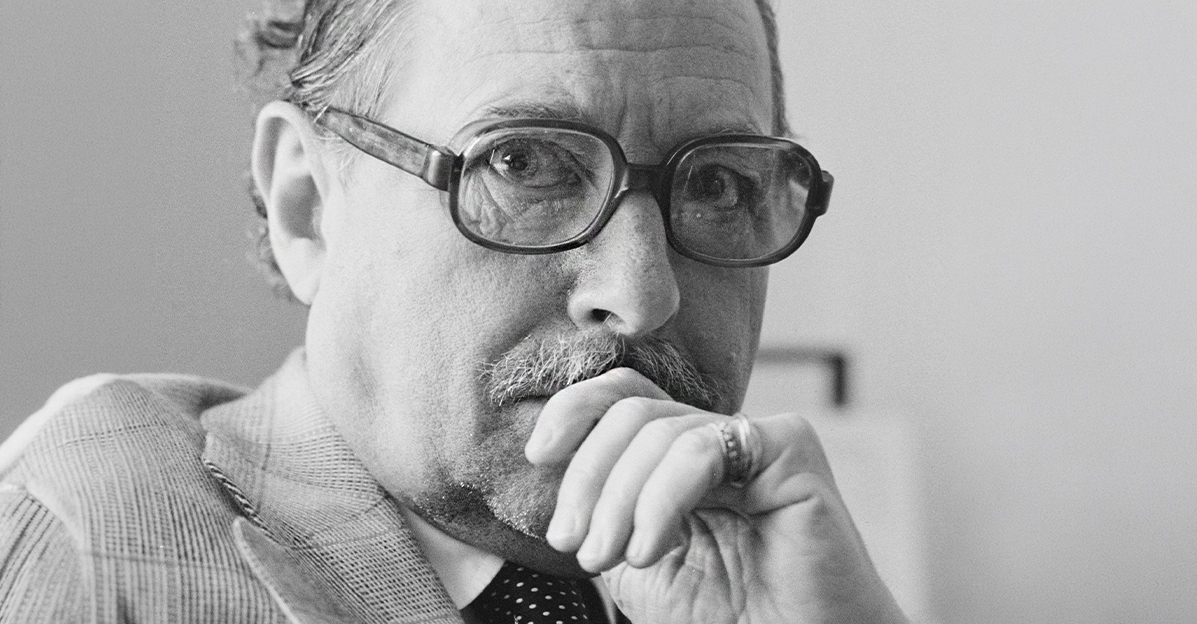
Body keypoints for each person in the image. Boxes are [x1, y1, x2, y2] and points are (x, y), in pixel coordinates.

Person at [0, 0, 908, 622]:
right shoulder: (93, 538)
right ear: (305, 204)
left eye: (716, 182)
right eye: (522, 165)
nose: (640, 295)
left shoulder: (775, 578)